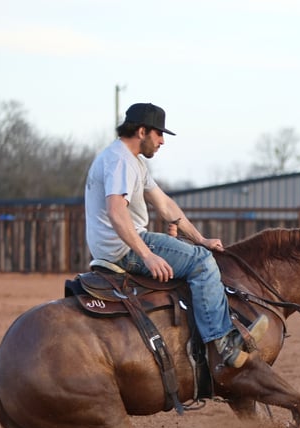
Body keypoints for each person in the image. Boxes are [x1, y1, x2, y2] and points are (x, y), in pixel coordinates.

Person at [84, 102, 267, 368]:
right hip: (124, 248)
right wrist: (147, 256)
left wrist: (200, 239)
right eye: (159, 134)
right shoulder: (120, 161)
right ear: (142, 131)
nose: (162, 142)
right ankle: (222, 343)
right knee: (202, 263)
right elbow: (116, 212)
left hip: (121, 243)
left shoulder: (131, 162)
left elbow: (165, 205)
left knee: (199, 251)